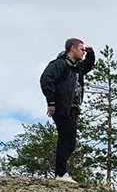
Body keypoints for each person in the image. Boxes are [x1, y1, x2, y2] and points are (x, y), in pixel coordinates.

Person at [39, 38, 95, 182]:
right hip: (62, 107)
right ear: (73, 49)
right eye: (81, 49)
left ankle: (61, 173)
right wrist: (51, 102)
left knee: (68, 141)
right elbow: (46, 80)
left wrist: (91, 54)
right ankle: (60, 173)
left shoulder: (77, 67)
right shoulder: (59, 64)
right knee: (67, 141)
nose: (83, 52)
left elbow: (88, 66)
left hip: (73, 108)